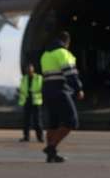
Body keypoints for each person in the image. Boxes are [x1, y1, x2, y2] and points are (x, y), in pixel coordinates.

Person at [40, 31, 84, 163]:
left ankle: (51, 155)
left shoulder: (45, 55)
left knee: (53, 123)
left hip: (47, 91)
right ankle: (51, 147)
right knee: (71, 121)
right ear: (67, 41)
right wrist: (78, 89)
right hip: (60, 90)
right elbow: (70, 73)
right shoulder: (63, 53)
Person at [18, 63, 43, 142]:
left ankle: (40, 137)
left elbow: (42, 88)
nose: (29, 70)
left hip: (36, 101)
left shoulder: (38, 78)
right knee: (26, 121)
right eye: (27, 68)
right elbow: (22, 89)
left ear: (33, 69)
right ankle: (26, 137)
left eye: (30, 68)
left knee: (37, 121)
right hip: (27, 101)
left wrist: (34, 92)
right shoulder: (24, 78)